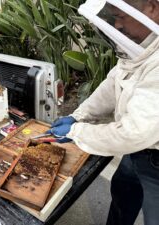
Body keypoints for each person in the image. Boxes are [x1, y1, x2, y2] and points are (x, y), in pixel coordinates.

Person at [47, 0, 159, 225]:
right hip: (136, 151)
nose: (116, 25)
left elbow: (133, 133)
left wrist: (78, 131)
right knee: (123, 193)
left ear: (152, 7)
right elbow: (113, 82)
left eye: (121, 16)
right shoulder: (143, 44)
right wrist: (78, 115)